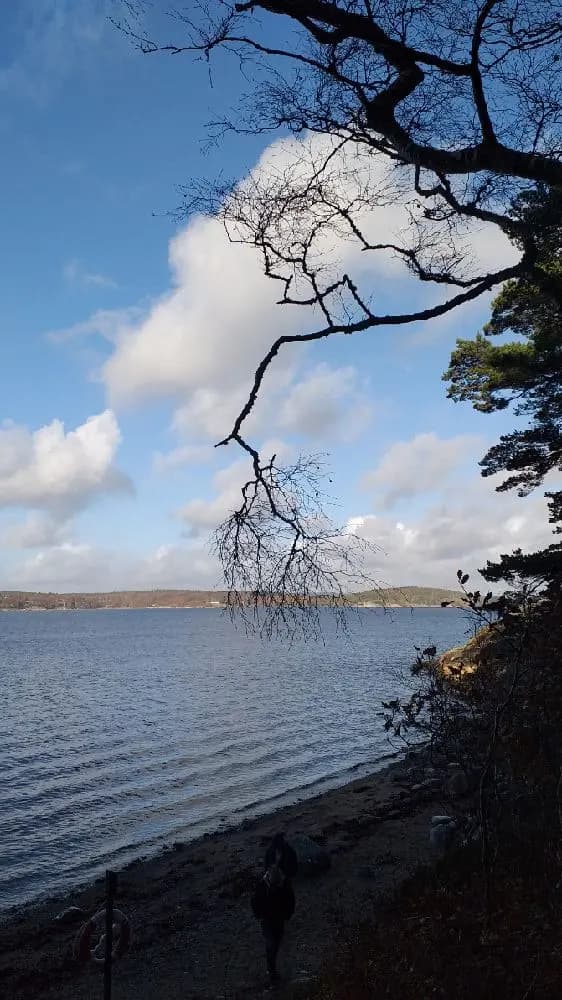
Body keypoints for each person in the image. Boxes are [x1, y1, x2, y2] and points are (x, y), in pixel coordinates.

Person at [251, 833, 297, 983]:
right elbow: (255, 902)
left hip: (275, 918)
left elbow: (290, 901)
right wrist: (259, 915)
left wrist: (287, 914)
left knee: (275, 942)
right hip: (270, 919)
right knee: (272, 944)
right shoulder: (265, 887)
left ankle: (271, 966)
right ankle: (271, 970)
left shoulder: (279, 886)